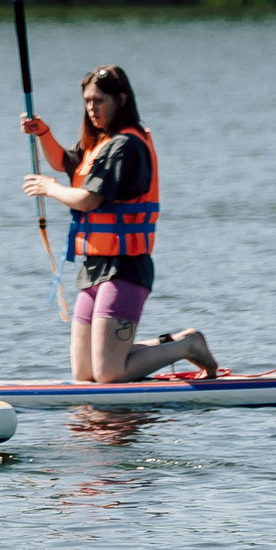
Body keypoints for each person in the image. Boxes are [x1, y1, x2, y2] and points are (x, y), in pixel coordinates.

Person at [22, 64, 218, 384]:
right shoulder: (100, 143)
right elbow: (62, 162)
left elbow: (89, 200)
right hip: (94, 266)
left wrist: (48, 188)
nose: (91, 108)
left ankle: (189, 345)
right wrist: (43, 133)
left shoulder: (125, 146)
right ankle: (178, 343)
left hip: (125, 267)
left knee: (109, 373)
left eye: (99, 100)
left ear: (121, 100)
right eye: (87, 101)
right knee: (85, 373)